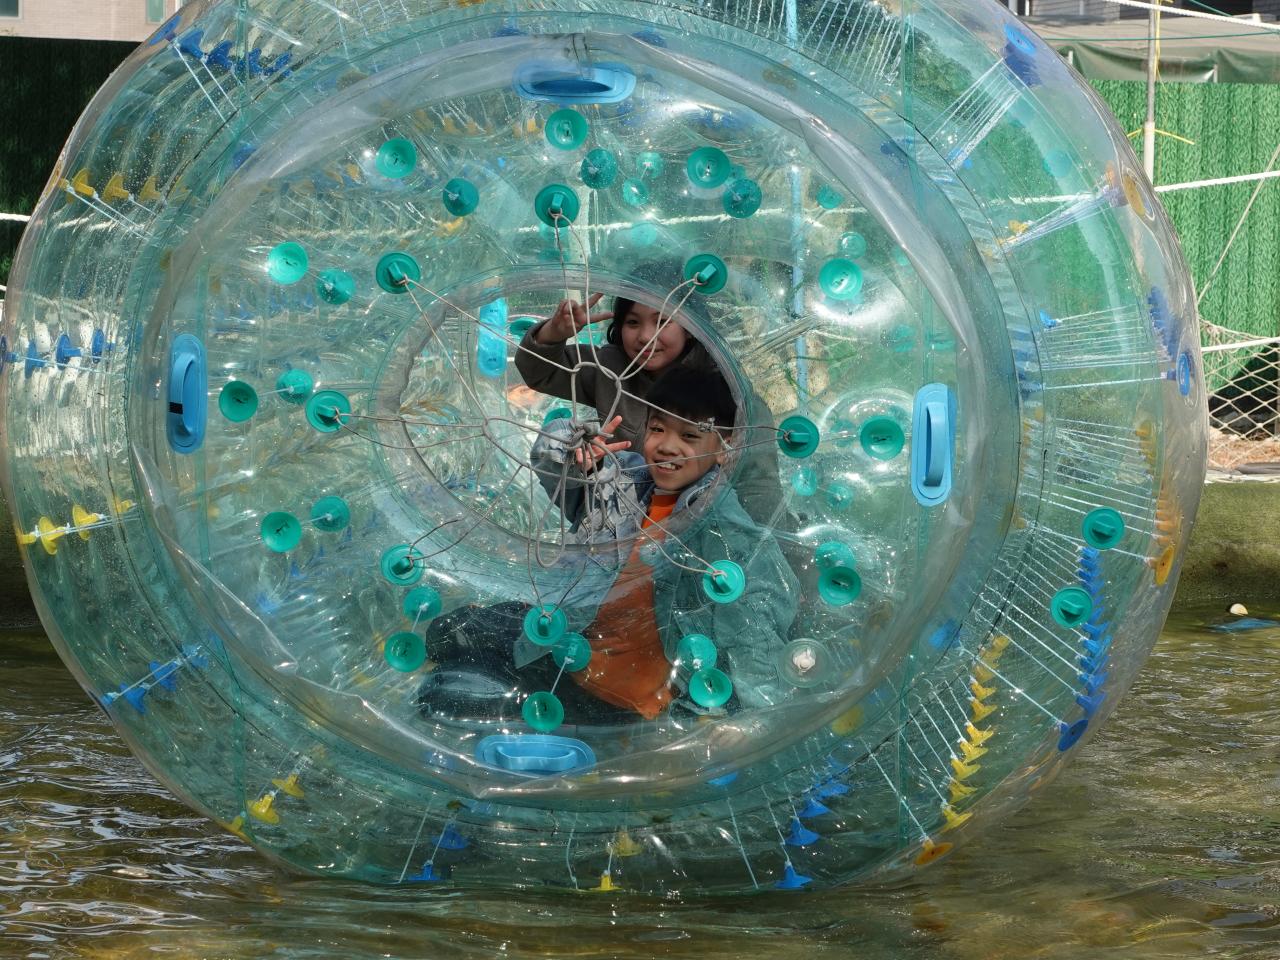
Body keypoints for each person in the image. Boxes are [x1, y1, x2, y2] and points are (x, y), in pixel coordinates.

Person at [419, 366, 798, 726]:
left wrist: (757, 714)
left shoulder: (719, 525)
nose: (667, 447)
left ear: (725, 449)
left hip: (612, 691)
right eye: (658, 429)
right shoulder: (629, 483)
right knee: (445, 631)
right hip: (570, 635)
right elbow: (555, 469)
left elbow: (754, 613)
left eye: (689, 437)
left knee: (442, 696)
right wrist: (574, 448)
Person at [513, 277, 783, 526]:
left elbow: (759, 489)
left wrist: (756, 547)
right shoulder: (611, 370)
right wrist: (554, 333)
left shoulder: (728, 394)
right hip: (623, 517)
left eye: (662, 322)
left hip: (698, 529)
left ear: (691, 327)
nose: (645, 336)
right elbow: (540, 372)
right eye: (633, 322)